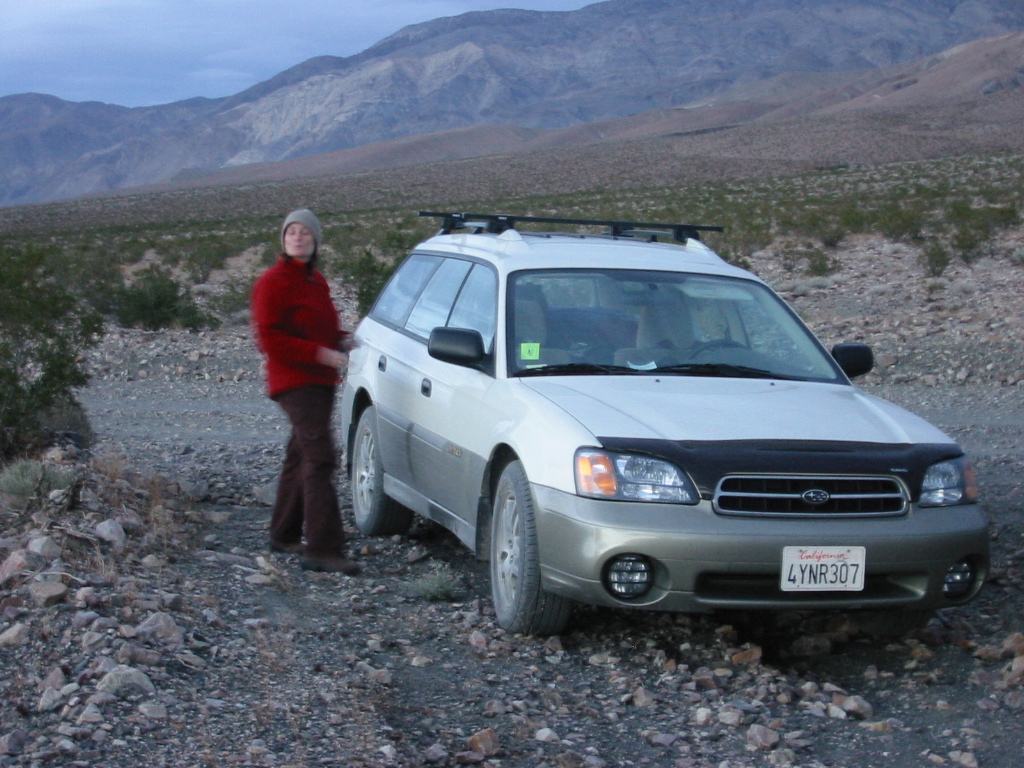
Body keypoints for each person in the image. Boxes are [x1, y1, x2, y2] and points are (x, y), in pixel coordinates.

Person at [250, 209, 360, 574]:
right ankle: (323, 549)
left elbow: (319, 326)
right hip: (295, 382)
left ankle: (283, 533)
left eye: (305, 232)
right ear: (283, 240)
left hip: (319, 381)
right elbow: (270, 339)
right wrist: (319, 353)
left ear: (316, 240)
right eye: (291, 232)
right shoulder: (273, 281)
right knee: (320, 457)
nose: (298, 237)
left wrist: (341, 340)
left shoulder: (315, 280)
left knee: (300, 454)